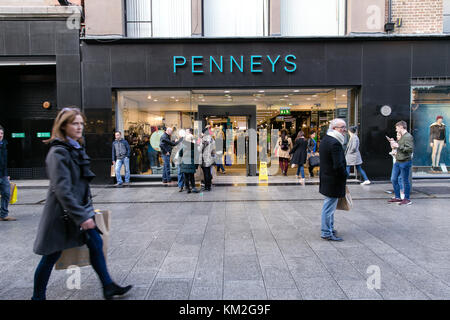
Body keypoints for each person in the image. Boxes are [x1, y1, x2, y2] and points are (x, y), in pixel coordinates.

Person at [32, 107, 132, 300]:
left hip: (78, 212)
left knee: (96, 243)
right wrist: (82, 216)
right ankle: (37, 297)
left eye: (81, 124)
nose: (79, 127)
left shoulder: (75, 147)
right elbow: (62, 190)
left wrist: (86, 211)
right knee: (50, 256)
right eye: (74, 124)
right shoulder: (58, 152)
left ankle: (108, 286)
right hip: (62, 215)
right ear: (63, 126)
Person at [319, 118, 348, 241]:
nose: (344, 130)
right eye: (342, 127)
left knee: (329, 205)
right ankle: (326, 232)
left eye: (345, 127)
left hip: (327, 177)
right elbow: (338, 165)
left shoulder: (326, 139)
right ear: (334, 128)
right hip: (333, 180)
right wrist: (345, 174)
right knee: (329, 207)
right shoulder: (335, 143)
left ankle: (329, 228)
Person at [388, 120, 414, 206]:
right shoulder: (402, 136)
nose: (396, 130)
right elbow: (401, 148)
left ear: (401, 127)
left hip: (405, 162)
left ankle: (407, 199)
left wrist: (398, 146)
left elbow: (410, 149)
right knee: (394, 179)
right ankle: (397, 197)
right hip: (398, 161)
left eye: (396, 128)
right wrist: (394, 145)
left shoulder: (408, 137)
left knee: (405, 180)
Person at [0, 125, 16, 221]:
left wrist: (6, 174)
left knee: (6, 193)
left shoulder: (4, 145)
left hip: (3, 175)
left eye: (1, 133)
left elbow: (4, 162)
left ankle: (3, 215)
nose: (0, 135)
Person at [180, 130, 200, 194]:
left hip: (184, 163)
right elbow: (197, 156)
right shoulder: (194, 146)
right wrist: (196, 166)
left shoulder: (183, 146)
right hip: (191, 163)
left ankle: (188, 188)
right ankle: (193, 187)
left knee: (186, 177)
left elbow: (180, 154)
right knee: (191, 176)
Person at [199, 126, 216, 191]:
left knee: (205, 172)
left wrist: (200, 139)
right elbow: (214, 149)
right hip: (210, 158)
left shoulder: (203, 140)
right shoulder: (212, 139)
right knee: (208, 172)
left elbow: (199, 149)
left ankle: (206, 186)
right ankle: (209, 186)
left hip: (204, 158)